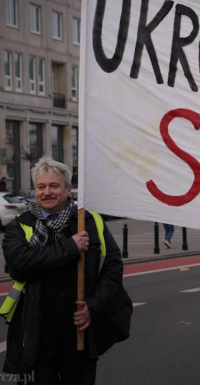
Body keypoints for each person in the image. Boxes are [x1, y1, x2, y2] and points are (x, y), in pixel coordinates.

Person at [1, 157, 128, 384]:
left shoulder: (90, 221)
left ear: (68, 189)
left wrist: (94, 306)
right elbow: (19, 265)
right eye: (41, 187)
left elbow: (112, 268)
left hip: (79, 337)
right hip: (35, 338)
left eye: (54, 186)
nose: (47, 192)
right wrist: (70, 247)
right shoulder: (20, 225)